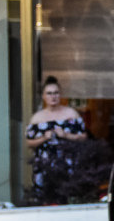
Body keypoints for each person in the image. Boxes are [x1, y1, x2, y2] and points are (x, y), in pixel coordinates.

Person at [25, 76, 87, 205]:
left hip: (67, 163)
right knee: (44, 200)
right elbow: (29, 143)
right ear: (43, 96)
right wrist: (43, 138)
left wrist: (66, 135)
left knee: (68, 197)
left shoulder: (71, 114)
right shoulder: (37, 118)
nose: (53, 96)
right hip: (44, 166)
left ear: (60, 95)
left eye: (56, 93)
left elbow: (84, 137)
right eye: (49, 93)